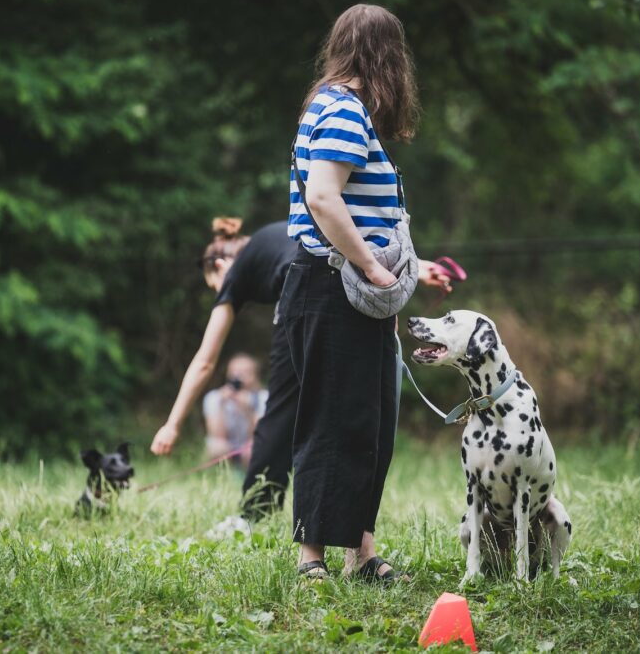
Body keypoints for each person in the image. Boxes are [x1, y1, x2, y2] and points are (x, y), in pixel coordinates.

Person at [150, 216, 451, 523]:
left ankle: (254, 515)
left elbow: (205, 360)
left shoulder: (234, 272)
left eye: (214, 286)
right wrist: (419, 265)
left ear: (218, 266)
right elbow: (335, 237)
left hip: (307, 292)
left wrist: (172, 424)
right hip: (344, 283)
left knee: (282, 407)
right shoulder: (272, 236)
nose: (221, 291)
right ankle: (350, 522)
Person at [280, 4, 422, 583]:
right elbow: (323, 198)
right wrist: (372, 268)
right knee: (332, 422)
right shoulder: (340, 110)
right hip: (329, 286)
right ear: (386, 56)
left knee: (370, 423)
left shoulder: (346, 111)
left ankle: (361, 553)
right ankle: (311, 560)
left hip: (352, 296)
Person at [202, 353, 267, 469]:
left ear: (255, 375)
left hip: (249, 446)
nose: (239, 377)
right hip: (227, 445)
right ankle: (223, 477)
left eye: (245, 372)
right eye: (235, 372)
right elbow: (216, 435)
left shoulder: (263, 398)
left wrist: (248, 410)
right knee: (217, 447)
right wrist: (222, 405)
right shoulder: (215, 397)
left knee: (253, 449)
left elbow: (260, 435)